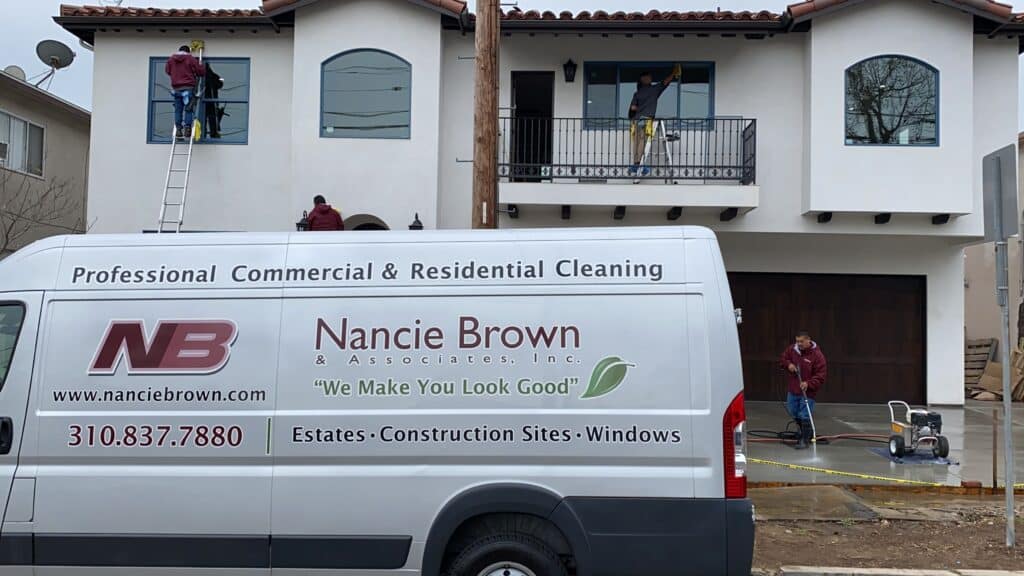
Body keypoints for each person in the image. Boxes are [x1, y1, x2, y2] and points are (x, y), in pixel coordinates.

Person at [628, 65, 680, 178]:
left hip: (636, 120)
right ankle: (640, 165)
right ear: (643, 79)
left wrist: (639, 108)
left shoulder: (637, 93)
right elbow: (664, 83)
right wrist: (674, 73)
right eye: (648, 77)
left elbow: (632, 108)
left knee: (637, 143)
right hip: (646, 120)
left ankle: (636, 164)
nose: (650, 78)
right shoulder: (653, 90)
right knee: (642, 141)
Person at [779, 331, 827, 449]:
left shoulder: (817, 355)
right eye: (797, 341)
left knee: (804, 415)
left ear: (808, 340)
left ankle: (804, 440)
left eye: (801, 341)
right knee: (793, 411)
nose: (799, 344)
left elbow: (821, 375)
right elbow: (783, 358)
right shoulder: (792, 350)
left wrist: (808, 383)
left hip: (808, 392)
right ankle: (805, 433)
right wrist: (788, 364)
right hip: (793, 389)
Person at [165, 45, 206, 140]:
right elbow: (201, 72)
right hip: (188, 88)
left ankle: (179, 129)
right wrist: (201, 67)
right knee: (188, 109)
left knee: (178, 110)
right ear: (188, 52)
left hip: (176, 89)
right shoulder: (190, 59)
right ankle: (187, 129)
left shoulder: (171, 59)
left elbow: (167, 71)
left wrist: (176, 75)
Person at [203, 63, 224, 139]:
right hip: (211, 101)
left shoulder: (200, 76)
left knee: (205, 118)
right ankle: (213, 133)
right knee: (212, 118)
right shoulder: (214, 76)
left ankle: (204, 134)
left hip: (207, 101)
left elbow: (220, 83)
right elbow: (220, 83)